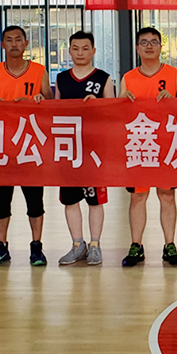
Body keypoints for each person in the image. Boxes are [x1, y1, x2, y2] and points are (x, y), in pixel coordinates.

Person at [119, 27, 177, 267]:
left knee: (167, 194)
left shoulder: (173, 74)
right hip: (139, 142)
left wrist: (174, 100)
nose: (149, 46)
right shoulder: (128, 78)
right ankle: (136, 245)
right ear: (137, 48)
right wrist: (123, 101)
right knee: (138, 196)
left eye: (154, 42)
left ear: (161, 46)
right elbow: (117, 113)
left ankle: (169, 245)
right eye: (144, 42)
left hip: (167, 143)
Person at [0, 25, 52, 267]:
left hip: (30, 144)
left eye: (18, 39)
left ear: (25, 44)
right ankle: (2, 246)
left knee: (35, 200)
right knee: (1, 200)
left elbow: (50, 103)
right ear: (2, 44)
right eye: (9, 40)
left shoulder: (39, 70)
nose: (14, 44)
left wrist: (39, 100)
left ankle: (36, 247)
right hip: (2, 144)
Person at [54, 31, 114, 266]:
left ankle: (95, 245)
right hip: (68, 147)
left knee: (95, 199)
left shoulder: (103, 78)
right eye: (75, 48)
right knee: (70, 199)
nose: (80, 53)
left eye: (85, 48)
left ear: (93, 51)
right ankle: (77, 244)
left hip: (93, 149)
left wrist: (99, 105)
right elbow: (53, 112)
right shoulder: (61, 79)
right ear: (69, 51)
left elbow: (113, 112)